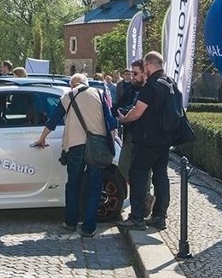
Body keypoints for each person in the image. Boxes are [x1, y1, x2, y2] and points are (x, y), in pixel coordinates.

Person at [32, 73, 115, 238]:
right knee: (94, 186)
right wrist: (111, 146)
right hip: (97, 146)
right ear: (85, 83)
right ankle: (89, 227)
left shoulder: (67, 96)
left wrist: (42, 138)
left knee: (73, 184)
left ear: (73, 85)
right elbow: (110, 121)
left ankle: (71, 222)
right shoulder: (99, 93)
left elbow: (53, 121)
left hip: (75, 146)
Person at [116, 51, 174, 230]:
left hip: (148, 139)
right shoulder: (169, 83)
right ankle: (159, 216)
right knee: (161, 177)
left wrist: (124, 119)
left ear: (148, 65)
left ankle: (137, 217)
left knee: (138, 174)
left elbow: (137, 112)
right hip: (165, 139)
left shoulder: (152, 85)